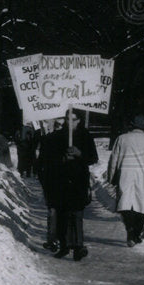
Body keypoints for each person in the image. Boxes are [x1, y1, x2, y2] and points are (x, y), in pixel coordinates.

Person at [39, 108, 98, 261]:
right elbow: (48, 160)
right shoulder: (56, 137)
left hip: (78, 180)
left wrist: (80, 154)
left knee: (77, 213)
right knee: (62, 212)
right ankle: (64, 245)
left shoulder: (86, 136)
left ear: (79, 121)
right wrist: (62, 159)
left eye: (74, 119)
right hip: (61, 180)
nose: (70, 122)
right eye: (68, 119)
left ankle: (78, 246)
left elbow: (93, 158)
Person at [106, 115, 144, 247]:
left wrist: (111, 176)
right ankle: (136, 234)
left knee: (125, 202)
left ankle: (130, 229)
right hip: (143, 174)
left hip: (125, 173)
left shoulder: (122, 139)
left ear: (131, 125)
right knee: (141, 205)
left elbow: (114, 160)